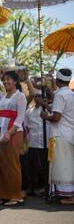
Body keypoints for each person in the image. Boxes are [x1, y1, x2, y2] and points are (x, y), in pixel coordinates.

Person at [0, 70, 27, 206]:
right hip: (1, 133)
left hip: (14, 133)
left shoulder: (20, 96)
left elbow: (20, 117)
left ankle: (15, 195)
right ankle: (3, 195)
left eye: (8, 79)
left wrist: (10, 132)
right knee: (2, 164)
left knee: (12, 164)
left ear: (15, 81)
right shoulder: (2, 96)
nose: (5, 82)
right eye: (4, 80)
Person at [40, 68, 74, 205]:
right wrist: (46, 106)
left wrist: (45, 116)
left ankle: (69, 196)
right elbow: (59, 112)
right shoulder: (70, 94)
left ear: (57, 80)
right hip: (68, 134)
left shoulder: (60, 96)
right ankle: (63, 194)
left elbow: (56, 117)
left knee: (62, 166)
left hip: (60, 135)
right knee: (66, 165)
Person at [24, 89, 49, 197]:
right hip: (33, 143)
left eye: (40, 96)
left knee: (44, 166)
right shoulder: (29, 111)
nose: (37, 98)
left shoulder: (48, 110)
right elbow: (25, 127)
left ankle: (45, 188)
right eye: (36, 96)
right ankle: (33, 188)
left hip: (46, 143)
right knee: (32, 167)